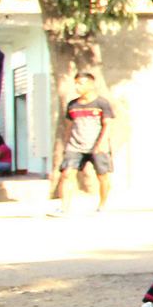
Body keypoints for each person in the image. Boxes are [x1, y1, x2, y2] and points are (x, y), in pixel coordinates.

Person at [51, 72, 115, 215]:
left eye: (81, 83)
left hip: (97, 146)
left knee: (102, 176)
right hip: (75, 146)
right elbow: (68, 126)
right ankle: (64, 207)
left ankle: (102, 205)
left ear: (91, 85)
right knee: (67, 174)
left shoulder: (101, 103)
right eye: (76, 83)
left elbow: (107, 125)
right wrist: (67, 144)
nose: (77, 86)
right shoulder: (72, 105)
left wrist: (101, 143)